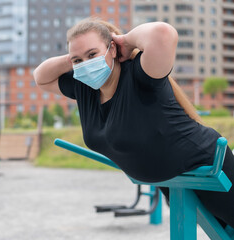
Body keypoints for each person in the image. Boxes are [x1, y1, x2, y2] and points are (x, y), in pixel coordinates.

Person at [33, 18, 234, 229]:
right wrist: (74, 59)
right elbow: (41, 77)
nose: (86, 64)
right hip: (174, 180)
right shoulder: (84, 88)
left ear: (112, 49)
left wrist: (126, 42)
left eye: (92, 54)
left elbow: (163, 33)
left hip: (206, 167)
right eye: (78, 61)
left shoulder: (141, 75)